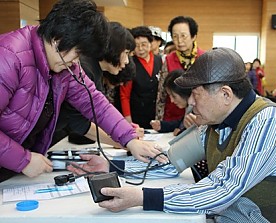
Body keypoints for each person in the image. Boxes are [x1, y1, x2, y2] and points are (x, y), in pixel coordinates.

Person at [68, 48, 276, 223]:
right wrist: (111, 167)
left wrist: (142, 197)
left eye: (195, 95)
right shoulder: (213, 123)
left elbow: (223, 189)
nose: (189, 102)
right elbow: (170, 162)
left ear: (225, 94)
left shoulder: (269, 122)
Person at [0, 0, 166, 183]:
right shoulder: (8, 57)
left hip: (13, 164)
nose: (76, 62)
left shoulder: (64, 65)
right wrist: (24, 160)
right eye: (77, 54)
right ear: (59, 39)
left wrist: (130, 140)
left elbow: (96, 103)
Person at [51, 22, 143, 149]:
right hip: (55, 139)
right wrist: (123, 141)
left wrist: (123, 130)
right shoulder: (86, 69)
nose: (127, 61)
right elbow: (81, 123)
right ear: (113, 48)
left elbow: (101, 110)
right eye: (126, 53)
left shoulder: (95, 70)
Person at [156, 16, 205, 123]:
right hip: (172, 116)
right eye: (175, 36)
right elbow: (162, 94)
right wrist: (159, 121)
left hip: (197, 117)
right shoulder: (168, 59)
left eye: (183, 36)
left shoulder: (204, 58)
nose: (179, 41)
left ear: (193, 36)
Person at [119, 26, 162, 129]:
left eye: (144, 44)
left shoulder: (159, 60)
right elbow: (124, 95)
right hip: (137, 115)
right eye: (137, 45)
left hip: (155, 115)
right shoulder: (129, 63)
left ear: (150, 43)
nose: (141, 49)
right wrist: (128, 119)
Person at [150, 69, 195, 136]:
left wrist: (182, 132)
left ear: (184, 92)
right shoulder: (189, 108)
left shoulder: (197, 110)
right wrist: (162, 125)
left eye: (174, 96)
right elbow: (181, 122)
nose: (172, 100)